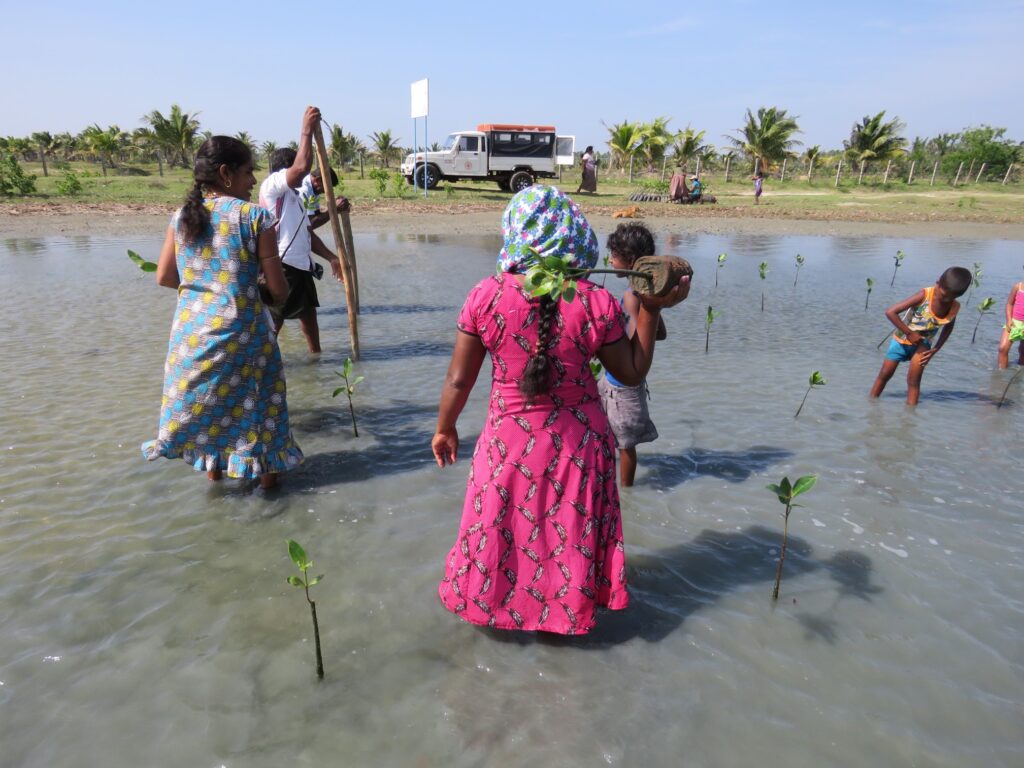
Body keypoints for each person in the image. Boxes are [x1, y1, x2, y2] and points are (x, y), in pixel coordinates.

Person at [431, 186, 690, 635]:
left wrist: (444, 429)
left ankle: (503, 616)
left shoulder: (484, 296)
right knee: (566, 536)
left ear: (514, 233)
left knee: (504, 527)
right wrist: (649, 307)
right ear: (576, 237)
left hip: (506, 446)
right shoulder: (595, 301)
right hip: (579, 449)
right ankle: (563, 619)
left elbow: (459, 380)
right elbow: (631, 372)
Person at [142, 136, 304, 489]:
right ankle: (269, 495)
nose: (251, 181)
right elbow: (279, 291)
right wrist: (253, 290)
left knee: (213, 417)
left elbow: (165, 277)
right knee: (261, 418)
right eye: (248, 172)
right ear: (226, 173)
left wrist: (208, 295)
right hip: (243, 336)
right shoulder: (255, 217)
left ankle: (216, 486)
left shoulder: (182, 216)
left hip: (192, 340)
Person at [259, 106, 343, 354]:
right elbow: (302, 169)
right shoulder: (272, 187)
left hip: (301, 266)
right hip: (282, 265)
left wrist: (331, 257)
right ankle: (263, 360)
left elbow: (307, 232)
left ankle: (316, 359)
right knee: (275, 320)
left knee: (308, 316)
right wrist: (306, 130)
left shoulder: (296, 197)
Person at [599, 222, 667, 487]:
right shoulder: (644, 294)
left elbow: (627, 338)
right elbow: (659, 333)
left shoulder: (631, 296)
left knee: (625, 446)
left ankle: (626, 492)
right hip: (624, 383)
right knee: (620, 441)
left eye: (613, 256)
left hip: (621, 387)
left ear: (628, 260)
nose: (610, 261)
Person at [870, 266, 972, 406]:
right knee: (885, 374)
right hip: (901, 339)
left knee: (914, 381)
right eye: (943, 295)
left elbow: (949, 327)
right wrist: (909, 333)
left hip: (923, 345)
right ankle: (871, 404)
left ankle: (910, 417)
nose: (945, 300)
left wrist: (936, 348)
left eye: (950, 298)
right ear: (938, 283)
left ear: (957, 296)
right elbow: (891, 312)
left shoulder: (954, 306)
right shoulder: (924, 295)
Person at [996, 276, 1024, 368]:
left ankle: (1019, 372)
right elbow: (1009, 304)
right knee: (1002, 348)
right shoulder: (1018, 286)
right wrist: (1009, 320)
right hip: (1014, 323)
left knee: (1023, 352)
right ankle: (1001, 375)